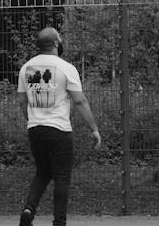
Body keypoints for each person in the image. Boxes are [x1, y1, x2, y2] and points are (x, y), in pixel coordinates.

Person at [17, 27, 101, 226]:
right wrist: (94, 129)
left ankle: (28, 210)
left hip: (35, 128)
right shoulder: (66, 68)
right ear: (55, 43)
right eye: (60, 39)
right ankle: (59, 222)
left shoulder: (26, 68)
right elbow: (80, 102)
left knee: (42, 173)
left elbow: (22, 101)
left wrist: (31, 120)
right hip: (60, 131)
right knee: (62, 177)